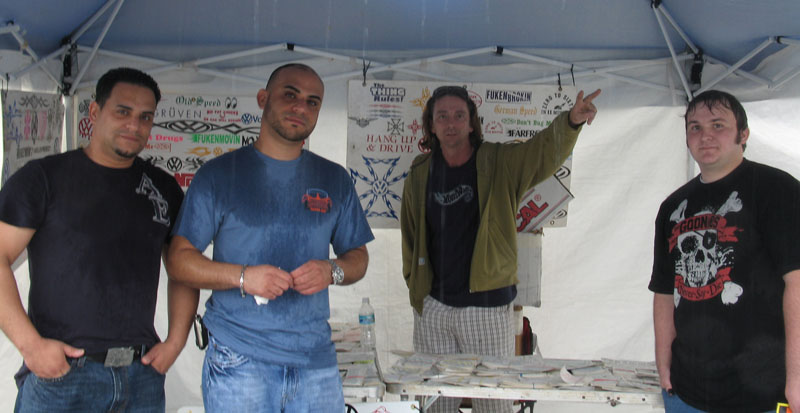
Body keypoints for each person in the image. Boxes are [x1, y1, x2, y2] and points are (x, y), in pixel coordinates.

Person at [166, 63, 374, 412]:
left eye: (312, 102)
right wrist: (244, 277)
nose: (300, 107)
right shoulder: (219, 175)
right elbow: (178, 261)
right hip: (239, 358)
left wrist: (332, 271)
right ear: (263, 99)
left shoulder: (334, 178)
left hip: (315, 360)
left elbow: (358, 256)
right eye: (290, 95)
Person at [0, 67, 199, 412]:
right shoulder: (43, 178)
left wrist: (176, 341)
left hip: (140, 375)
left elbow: (183, 267)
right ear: (94, 112)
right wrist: (30, 346)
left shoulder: (163, 187)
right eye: (123, 111)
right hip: (62, 375)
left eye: (145, 116)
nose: (134, 125)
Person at [400, 85, 601, 412]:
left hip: (487, 308)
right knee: (434, 405)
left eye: (459, 115)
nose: (451, 123)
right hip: (434, 309)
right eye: (442, 116)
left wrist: (571, 122)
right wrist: (417, 286)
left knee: (492, 404)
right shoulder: (420, 172)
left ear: (471, 123)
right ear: (431, 125)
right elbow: (410, 235)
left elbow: (541, 153)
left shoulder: (500, 161)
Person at [649, 90, 800, 412]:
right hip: (688, 392)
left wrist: (797, 378)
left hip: (764, 391)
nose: (705, 136)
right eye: (695, 127)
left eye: (718, 125)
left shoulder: (778, 190)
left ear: (743, 134)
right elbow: (663, 290)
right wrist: (664, 364)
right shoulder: (673, 207)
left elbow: (798, 283)